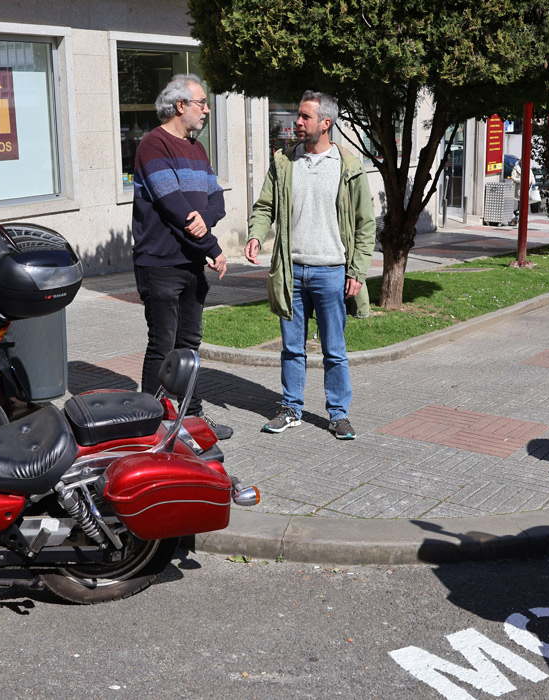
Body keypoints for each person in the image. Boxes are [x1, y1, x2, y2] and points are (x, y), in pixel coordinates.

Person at [244, 90, 375, 440]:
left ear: (325, 123)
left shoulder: (349, 167)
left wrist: (357, 271)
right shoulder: (284, 162)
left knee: (335, 350)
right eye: (298, 116)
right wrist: (256, 235)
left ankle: (339, 415)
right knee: (291, 348)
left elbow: (365, 223)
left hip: (332, 272)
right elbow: (265, 207)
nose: (297, 122)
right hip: (291, 271)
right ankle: (291, 408)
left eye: (305, 117)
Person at [131, 74, 233, 440]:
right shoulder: (152, 145)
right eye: (201, 102)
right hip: (159, 263)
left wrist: (204, 221)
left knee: (188, 345)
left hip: (190, 263)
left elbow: (216, 199)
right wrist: (213, 247)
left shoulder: (197, 149)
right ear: (180, 106)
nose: (206, 109)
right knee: (163, 345)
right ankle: (149, 423)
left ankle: (191, 417)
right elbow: (173, 207)